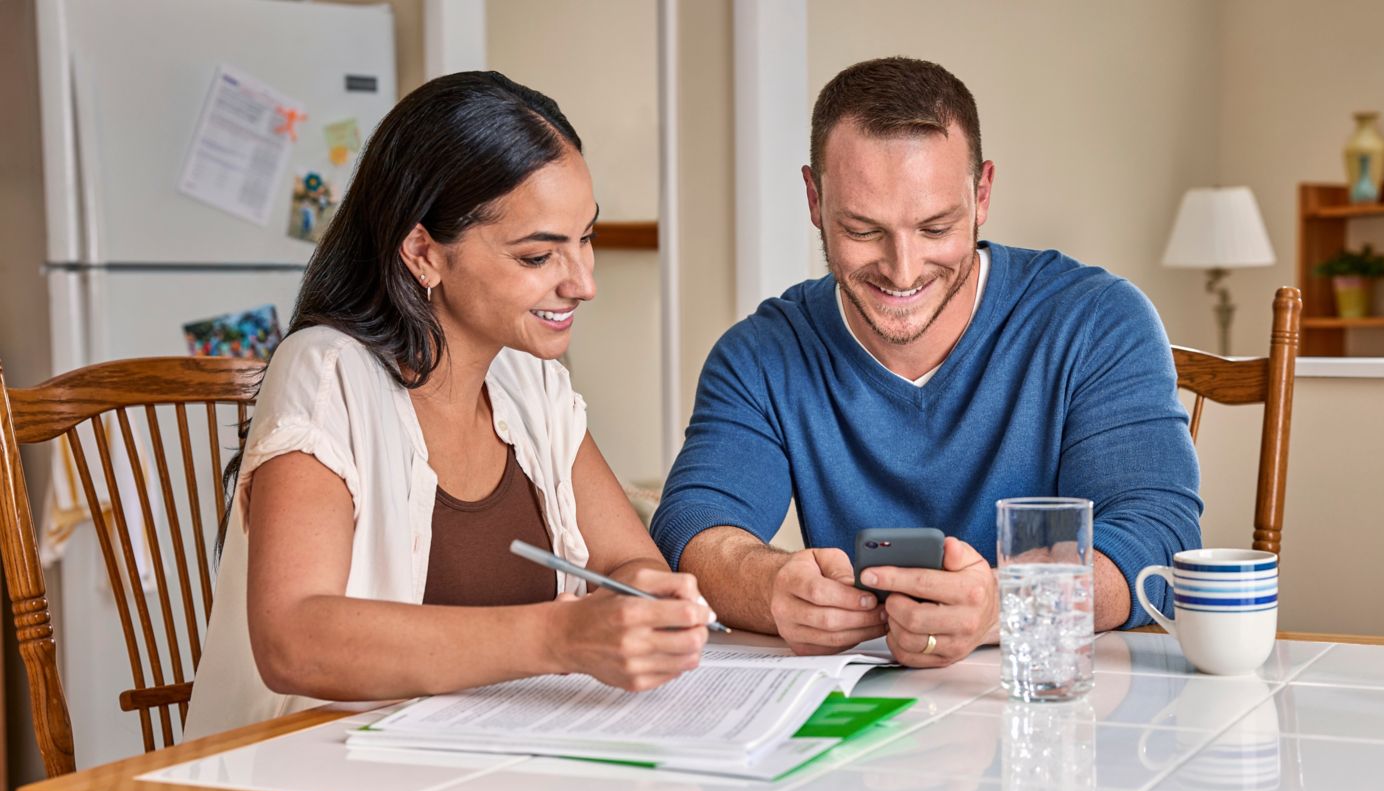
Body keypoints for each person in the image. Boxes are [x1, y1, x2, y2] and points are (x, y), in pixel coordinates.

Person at [186, 71, 711, 739]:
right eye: (538, 254)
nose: (583, 281)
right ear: (423, 251)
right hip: (317, 788)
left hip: (484, 771)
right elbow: (293, 638)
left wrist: (648, 600)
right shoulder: (325, 372)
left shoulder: (532, 384)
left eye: (586, 237)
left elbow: (627, 562)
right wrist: (558, 636)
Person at [649, 57, 1201, 668]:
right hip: (856, 720)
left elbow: (1160, 538)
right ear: (814, 199)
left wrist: (1006, 603)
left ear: (982, 193)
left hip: (1055, 707)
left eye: (936, 227)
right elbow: (693, 527)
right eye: (862, 230)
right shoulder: (760, 354)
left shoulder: (1096, 321)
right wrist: (772, 589)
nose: (902, 269)